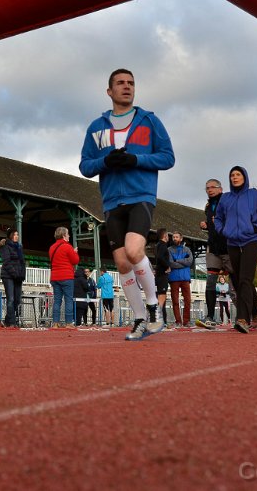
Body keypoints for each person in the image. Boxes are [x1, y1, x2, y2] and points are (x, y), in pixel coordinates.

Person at [80, 68, 175, 341]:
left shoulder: (150, 121)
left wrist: (136, 160)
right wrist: (105, 161)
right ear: (109, 91)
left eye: (131, 83)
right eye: (120, 83)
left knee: (134, 251)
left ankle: (154, 308)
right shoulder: (96, 127)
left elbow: (168, 158)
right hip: (112, 201)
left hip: (141, 196)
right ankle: (139, 319)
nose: (127, 86)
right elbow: (85, 166)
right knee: (122, 263)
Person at [214, 166, 257, 334]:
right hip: (232, 242)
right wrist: (223, 230)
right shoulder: (225, 198)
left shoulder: (255, 195)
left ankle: (242, 319)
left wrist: (256, 228)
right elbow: (218, 218)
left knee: (245, 279)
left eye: (238, 174)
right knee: (238, 280)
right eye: (232, 175)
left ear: (244, 177)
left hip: (251, 241)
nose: (235, 177)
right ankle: (256, 309)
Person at [199, 178, 232, 326]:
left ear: (220, 189)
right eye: (207, 188)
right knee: (210, 282)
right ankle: (210, 316)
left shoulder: (227, 202)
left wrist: (221, 222)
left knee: (236, 284)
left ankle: (247, 314)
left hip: (228, 247)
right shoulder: (208, 206)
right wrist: (206, 225)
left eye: (213, 187)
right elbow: (212, 224)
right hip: (213, 248)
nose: (210, 190)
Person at [49, 226, 79, 328]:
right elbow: (75, 261)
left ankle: (55, 322)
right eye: (68, 234)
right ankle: (69, 322)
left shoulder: (52, 247)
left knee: (57, 300)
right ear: (64, 235)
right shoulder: (68, 247)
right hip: (66, 276)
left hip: (55, 276)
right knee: (68, 300)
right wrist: (74, 252)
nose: (69, 236)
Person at [0, 228, 26, 327]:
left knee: (17, 300)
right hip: (8, 276)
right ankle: (12, 323)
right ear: (10, 236)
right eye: (14, 234)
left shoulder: (19, 247)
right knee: (11, 299)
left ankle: (7, 320)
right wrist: (14, 273)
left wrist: (22, 274)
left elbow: (22, 262)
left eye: (17, 234)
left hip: (18, 276)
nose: (16, 236)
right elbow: (6, 262)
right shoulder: (5, 246)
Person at [167, 231, 193, 327]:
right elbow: (171, 263)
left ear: (181, 238)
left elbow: (190, 262)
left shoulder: (187, 249)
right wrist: (184, 263)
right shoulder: (169, 250)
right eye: (173, 237)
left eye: (176, 237)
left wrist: (177, 260)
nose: (175, 238)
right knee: (175, 301)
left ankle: (186, 321)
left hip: (185, 278)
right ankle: (178, 321)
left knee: (188, 300)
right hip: (174, 278)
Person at [154, 228, 171, 325]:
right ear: (165, 236)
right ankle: (162, 320)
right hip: (162, 275)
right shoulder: (163, 245)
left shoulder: (158, 245)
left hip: (159, 274)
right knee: (161, 297)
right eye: (168, 235)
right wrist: (167, 266)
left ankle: (161, 320)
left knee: (160, 297)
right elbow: (160, 257)